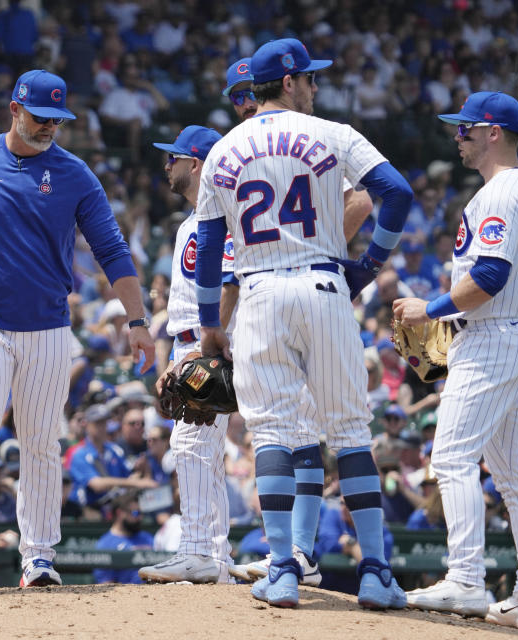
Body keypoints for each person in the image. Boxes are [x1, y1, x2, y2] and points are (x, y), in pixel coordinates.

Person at [194, 38, 412, 609]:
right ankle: (376, 573)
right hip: (324, 285)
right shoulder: (333, 133)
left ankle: (285, 570)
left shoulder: (223, 149)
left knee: (272, 434)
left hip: (261, 294)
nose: (315, 86)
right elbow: (397, 193)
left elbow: (210, 244)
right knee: (349, 432)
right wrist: (368, 264)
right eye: (309, 78)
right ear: (289, 82)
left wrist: (207, 323)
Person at [0, 69, 156, 589]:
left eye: (57, 120)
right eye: (40, 117)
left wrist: (138, 319)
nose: (49, 128)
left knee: (40, 441)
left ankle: (38, 556)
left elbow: (111, 249)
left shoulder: (76, 173)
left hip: (48, 328)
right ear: (14, 108)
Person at [393, 91, 518, 633]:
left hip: (491, 337)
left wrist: (429, 310)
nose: (456, 137)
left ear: (491, 132)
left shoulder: (499, 193)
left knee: (452, 457)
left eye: (464, 129)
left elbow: (489, 277)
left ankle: (465, 578)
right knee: (517, 476)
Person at [137, 125, 236, 585]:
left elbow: (230, 288)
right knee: (204, 453)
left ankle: (198, 550)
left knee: (193, 446)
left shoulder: (221, 221)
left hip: (206, 344)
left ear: (196, 164)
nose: (166, 165)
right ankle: (216, 556)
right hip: (188, 342)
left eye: (173, 157)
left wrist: (197, 351)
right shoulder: (190, 224)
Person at [94, 492, 153, 584]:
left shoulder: (147, 538)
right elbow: (106, 583)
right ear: (120, 513)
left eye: (141, 513)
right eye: (135, 513)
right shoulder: (105, 544)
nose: (140, 518)